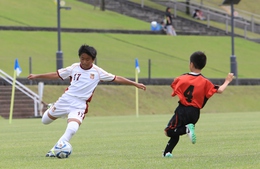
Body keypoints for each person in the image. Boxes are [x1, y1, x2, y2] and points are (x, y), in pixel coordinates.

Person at [27, 44, 147, 157]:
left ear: (93, 59)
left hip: (80, 104)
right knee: (44, 121)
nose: (84, 62)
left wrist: (134, 83)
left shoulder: (98, 72)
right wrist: (37, 76)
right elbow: (56, 75)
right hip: (66, 99)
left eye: (87, 59)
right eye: (82, 58)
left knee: (73, 128)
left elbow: (116, 78)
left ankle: (56, 149)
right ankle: (54, 108)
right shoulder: (73, 68)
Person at [162, 51, 234, 157]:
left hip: (183, 110)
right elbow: (220, 90)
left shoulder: (182, 78)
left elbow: (174, 84)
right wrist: (227, 80)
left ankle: (187, 129)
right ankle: (167, 153)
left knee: (168, 131)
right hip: (195, 113)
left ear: (191, 64)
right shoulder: (205, 82)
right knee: (176, 131)